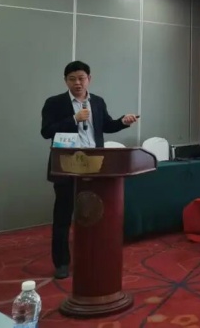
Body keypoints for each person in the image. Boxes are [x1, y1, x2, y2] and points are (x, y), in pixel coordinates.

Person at [40, 61, 138, 279]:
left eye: (81, 78)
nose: (77, 83)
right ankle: (61, 263)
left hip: (95, 166)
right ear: (65, 81)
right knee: (63, 215)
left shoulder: (98, 102)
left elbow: (107, 125)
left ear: (89, 79)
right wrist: (73, 119)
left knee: (94, 213)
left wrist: (123, 121)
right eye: (72, 79)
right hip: (67, 166)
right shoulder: (54, 103)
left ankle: (93, 254)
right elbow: (46, 131)